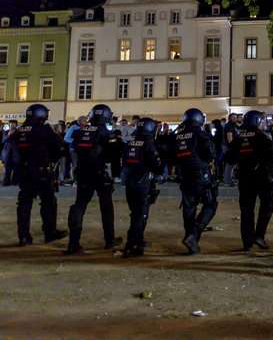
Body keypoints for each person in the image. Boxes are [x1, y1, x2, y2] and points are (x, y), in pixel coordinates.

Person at [66, 104, 124, 254]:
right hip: (98, 172)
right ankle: (109, 240)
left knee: (79, 206)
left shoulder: (81, 130)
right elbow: (115, 154)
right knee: (106, 207)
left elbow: (74, 149)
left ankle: (73, 243)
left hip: (83, 172)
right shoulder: (105, 132)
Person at [13, 104, 68, 246]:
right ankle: (49, 232)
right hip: (41, 171)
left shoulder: (19, 131)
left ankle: (23, 236)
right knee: (49, 202)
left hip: (24, 171)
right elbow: (58, 146)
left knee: (24, 205)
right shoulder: (43, 129)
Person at [228, 110, 273, 251]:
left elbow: (229, 158)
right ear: (257, 122)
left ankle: (247, 241)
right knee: (267, 205)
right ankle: (259, 235)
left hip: (244, 178)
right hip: (262, 178)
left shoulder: (238, 138)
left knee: (246, 210)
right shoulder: (263, 137)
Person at [171, 108, 217, 254]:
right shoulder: (201, 134)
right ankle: (194, 234)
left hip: (185, 174)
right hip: (200, 174)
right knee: (210, 204)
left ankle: (190, 240)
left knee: (189, 208)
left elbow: (171, 155)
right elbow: (210, 153)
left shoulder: (178, 135)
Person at [121, 117, 162, 257]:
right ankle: (132, 245)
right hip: (143, 182)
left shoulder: (130, 143)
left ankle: (137, 241)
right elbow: (157, 165)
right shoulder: (149, 144)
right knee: (140, 215)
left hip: (131, 181)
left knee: (135, 213)